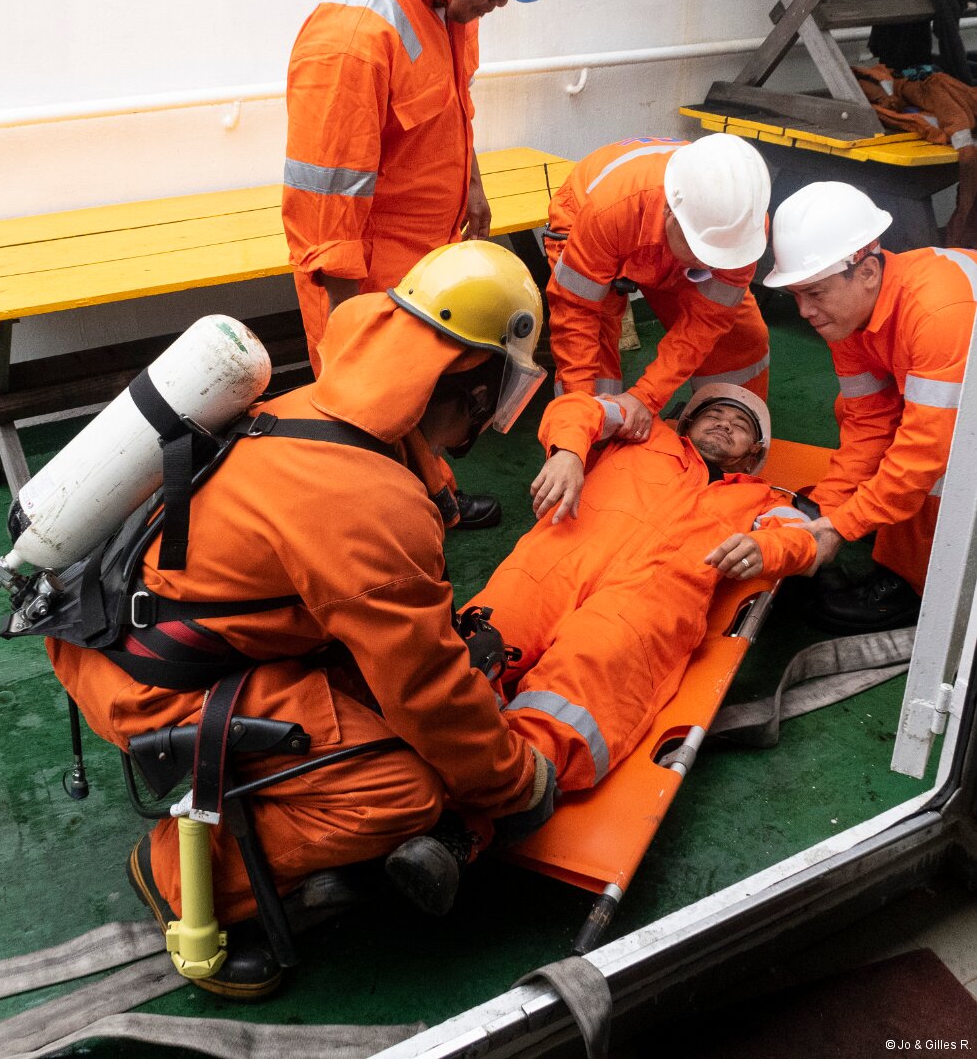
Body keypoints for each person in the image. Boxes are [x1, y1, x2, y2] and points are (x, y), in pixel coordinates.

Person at [45, 241, 557, 1000]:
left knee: (388, 709)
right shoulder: (368, 503)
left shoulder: (317, 410)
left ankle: (278, 818)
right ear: (478, 391)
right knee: (401, 792)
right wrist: (513, 783)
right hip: (150, 683)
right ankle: (178, 879)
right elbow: (426, 689)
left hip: (129, 632)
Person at [385, 385, 824, 912]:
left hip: (645, 607)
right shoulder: (641, 434)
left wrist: (764, 545)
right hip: (553, 567)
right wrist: (569, 453)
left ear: (755, 454)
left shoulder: (766, 502)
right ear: (686, 422)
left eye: (741, 425)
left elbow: (807, 541)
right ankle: (374, 784)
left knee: (569, 701)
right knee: (466, 658)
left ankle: (464, 829)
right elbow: (578, 408)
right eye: (715, 414)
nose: (726, 424)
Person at [281, 0, 561, 529]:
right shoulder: (351, 43)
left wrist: (474, 185)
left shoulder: (449, 2)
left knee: (424, 401)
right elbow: (325, 215)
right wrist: (351, 334)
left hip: (428, 264)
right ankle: (373, 531)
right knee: (369, 420)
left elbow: (454, 101)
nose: (498, 6)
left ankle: (433, 495)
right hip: (363, 282)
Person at [764, 181, 977, 632]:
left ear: (866, 272)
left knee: (945, 461)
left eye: (815, 293)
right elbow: (868, 421)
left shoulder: (938, 312)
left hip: (961, 414)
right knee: (854, 412)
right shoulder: (851, 316)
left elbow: (925, 452)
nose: (804, 311)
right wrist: (824, 510)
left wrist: (843, 528)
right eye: (796, 295)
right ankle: (889, 520)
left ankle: (915, 583)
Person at [544, 133, 773, 442]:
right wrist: (580, 421)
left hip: (648, 225)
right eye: (700, 251)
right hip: (587, 214)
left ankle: (724, 451)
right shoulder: (609, 212)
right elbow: (576, 315)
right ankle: (589, 447)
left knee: (738, 343)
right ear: (669, 212)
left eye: (719, 255)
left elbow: (708, 322)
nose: (709, 264)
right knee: (593, 369)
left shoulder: (741, 226)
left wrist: (645, 397)